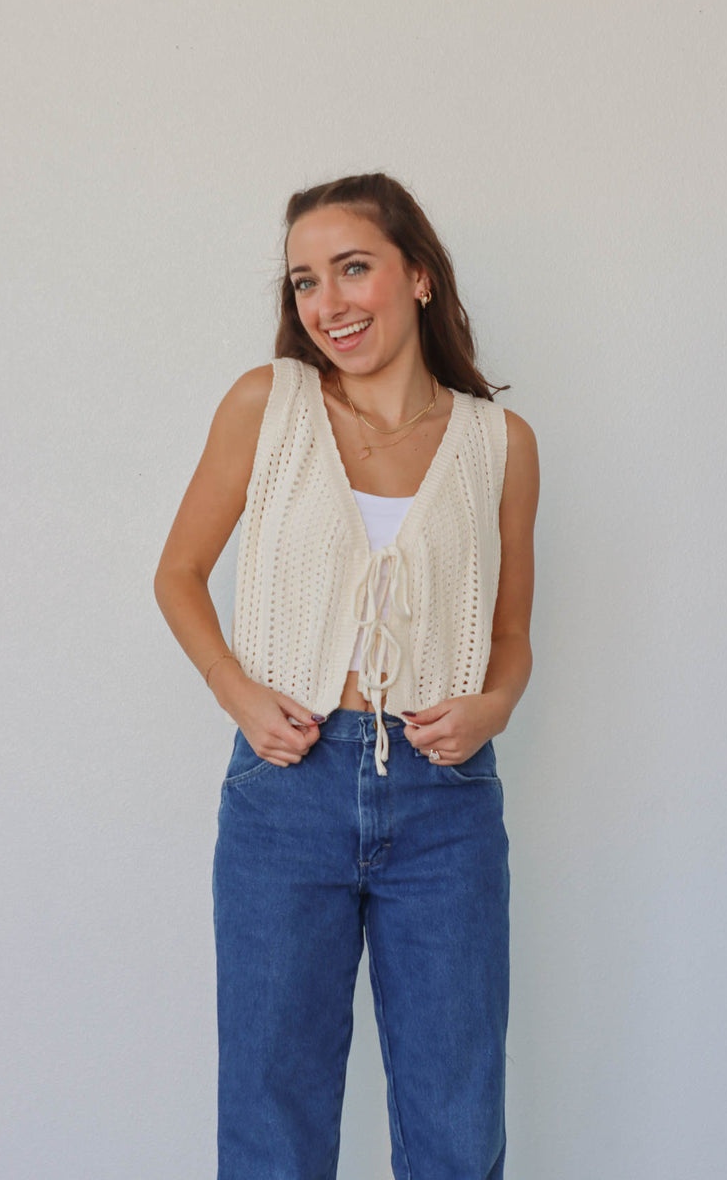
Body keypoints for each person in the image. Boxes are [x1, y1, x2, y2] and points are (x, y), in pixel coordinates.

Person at [153, 171, 540, 1180]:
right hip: (284, 791)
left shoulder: (497, 444)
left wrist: (491, 707)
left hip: (445, 804)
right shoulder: (266, 405)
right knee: (272, 1122)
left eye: (352, 268)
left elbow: (510, 637)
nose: (326, 302)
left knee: (455, 1126)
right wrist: (237, 693)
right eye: (303, 282)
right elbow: (178, 573)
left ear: (416, 275)